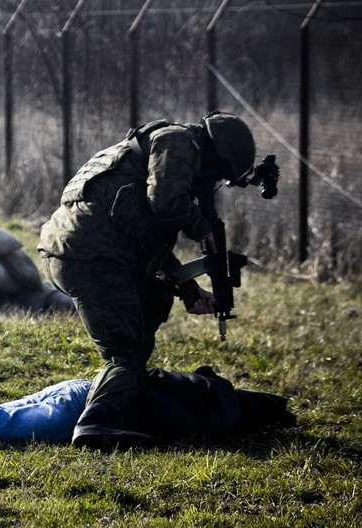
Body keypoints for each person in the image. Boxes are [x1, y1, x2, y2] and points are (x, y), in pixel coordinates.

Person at [37, 111, 260, 451]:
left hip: (91, 253)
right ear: (215, 155)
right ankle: (96, 424)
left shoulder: (164, 149)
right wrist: (202, 227)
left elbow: (145, 240)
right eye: (216, 175)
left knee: (153, 301)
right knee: (124, 352)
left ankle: (124, 405)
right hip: (91, 259)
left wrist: (187, 287)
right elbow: (167, 204)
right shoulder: (178, 141)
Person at [0, 366, 295, 451]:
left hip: (81, 389)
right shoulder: (220, 415)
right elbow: (172, 421)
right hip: (82, 412)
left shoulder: (206, 385)